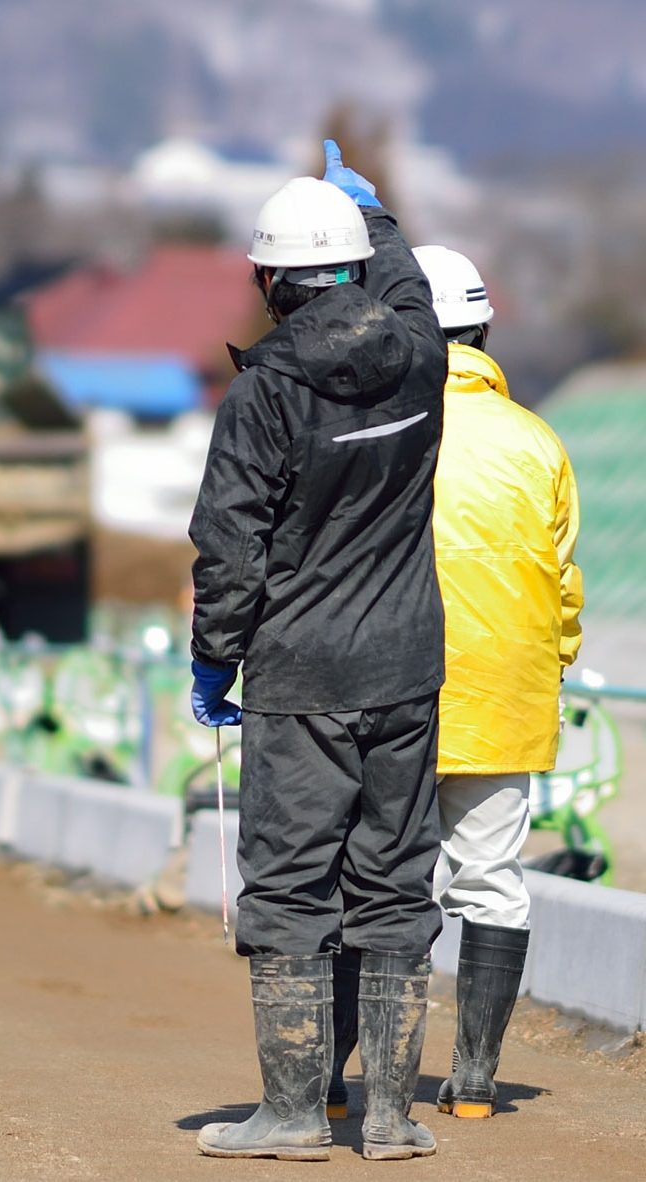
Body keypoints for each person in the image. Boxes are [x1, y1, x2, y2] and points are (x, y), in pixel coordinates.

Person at [188, 142, 448, 1162]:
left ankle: (296, 1112)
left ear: (266, 282)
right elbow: (407, 287)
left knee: (290, 885)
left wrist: (215, 659)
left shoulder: (261, 397)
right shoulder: (423, 355)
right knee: (393, 880)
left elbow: (227, 546)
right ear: (349, 268)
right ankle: (386, 1116)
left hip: (298, 674)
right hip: (404, 663)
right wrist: (370, 214)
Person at [327, 244, 579, 1121]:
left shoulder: (375, 424)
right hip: (504, 693)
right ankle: (473, 1081)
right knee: (492, 875)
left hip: (385, 683)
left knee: (368, 877)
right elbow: (564, 585)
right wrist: (545, 663)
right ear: (482, 329)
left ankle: (328, 1081)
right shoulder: (536, 439)